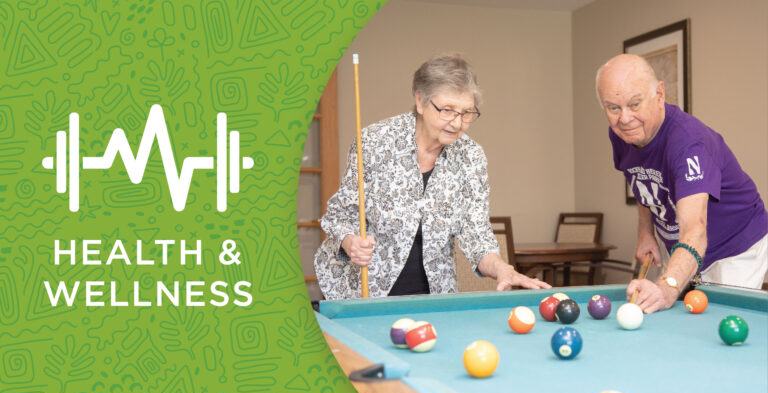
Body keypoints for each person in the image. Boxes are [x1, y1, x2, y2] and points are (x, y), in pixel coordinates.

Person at [314, 54, 550, 300]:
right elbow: (341, 215)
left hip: (434, 296)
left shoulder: (471, 156)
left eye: (467, 113)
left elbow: (476, 233)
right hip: (367, 293)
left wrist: (503, 269)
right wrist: (350, 242)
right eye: (447, 110)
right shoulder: (374, 142)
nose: (457, 123)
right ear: (420, 101)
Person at [595, 54, 768, 313]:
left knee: (717, 327)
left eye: (635, 104)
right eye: (613, 108)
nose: (625, 118)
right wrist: (645, 232)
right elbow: (641, 179)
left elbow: (695, 231)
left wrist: (668, 286)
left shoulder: (689, 145)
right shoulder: (623, 134)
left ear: (660, 94)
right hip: (681, 243)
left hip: (735, 247)